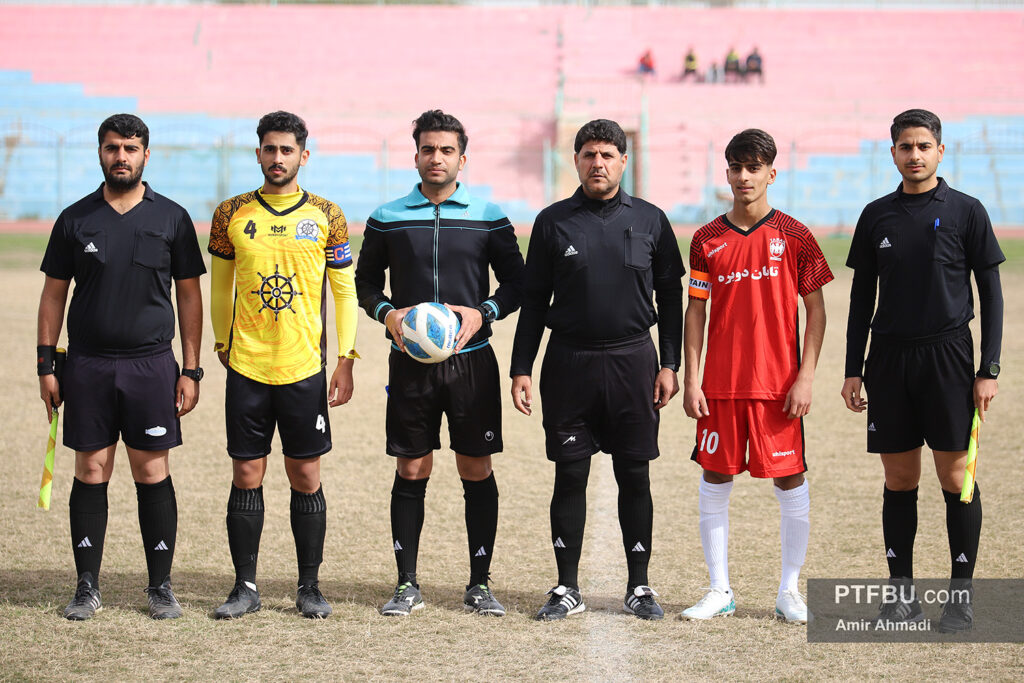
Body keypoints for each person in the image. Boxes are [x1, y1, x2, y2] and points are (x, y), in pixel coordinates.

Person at [511, 119, 684, 621]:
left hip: (634, 361)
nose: (598, 163)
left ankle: (640, 586)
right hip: (569, 363)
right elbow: (534, 302)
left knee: (635, 476)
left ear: (624, 161)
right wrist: (522, 367)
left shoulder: (651, 220)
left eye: (608, 154)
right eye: (589, 154)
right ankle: (567, 588)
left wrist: (669, 362)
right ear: (577, 160)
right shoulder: (553, 222)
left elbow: (671, 297)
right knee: (570, 476)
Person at [355, 110, 525, 617]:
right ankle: (407, 584)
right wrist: (387, 314)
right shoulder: (387, 216)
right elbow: (364, 284)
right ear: (416, 156)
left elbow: (518, 284)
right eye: (428, 149)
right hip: (409, 364)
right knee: (412, 466)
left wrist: (484, 311)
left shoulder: (489, 215)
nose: (437, 158)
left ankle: (479, 584)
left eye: (446, 150)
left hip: (471, 362)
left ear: (462, 158)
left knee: (475, 466)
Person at [37, 113, 206, 621]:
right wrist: (46, 364)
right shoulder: (75, 218)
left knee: (151, 470)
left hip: (151, 365)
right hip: (87, 365)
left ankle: (160, 587)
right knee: (90, 469)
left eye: (131, 149)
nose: (122, 157)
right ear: (100, 153)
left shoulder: (172, 218)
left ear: (146, 155)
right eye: (113, 148)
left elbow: (190, 299)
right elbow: (52, 296)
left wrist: (191, 369)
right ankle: (87, 586)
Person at [841, 109, 1003, 633]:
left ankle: (960, 598)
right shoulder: (876, 215)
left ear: (939, 151)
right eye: (905, 147)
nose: (914, 155)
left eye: (923, 146)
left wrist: (989, 367)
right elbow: (862, 297)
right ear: (893, 153)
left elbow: (992, 295)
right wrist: (852, 369)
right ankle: (901, 596)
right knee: (899, 478)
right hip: (888, 362)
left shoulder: (966, 211)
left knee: (956, 478)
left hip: (949, 358)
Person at [208, 111, 359, 620]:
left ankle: (309, 587)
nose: (278, 158)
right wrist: (222, 342)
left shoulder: (327, 215)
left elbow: (343, 290)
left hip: (303, 369)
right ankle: (245, 587)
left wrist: (346, 357)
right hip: (248, 366)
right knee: (247, 472)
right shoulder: (230, 213)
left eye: (287, 150)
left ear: (303, 156)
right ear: (258, 154)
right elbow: (220, 283)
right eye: (269, 150)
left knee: (305, 475)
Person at [680, 129, 832, 624]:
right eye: (735, 167)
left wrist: (805, 377)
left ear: (771, 172)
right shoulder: (706, 239)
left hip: (778, 386)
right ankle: (719, 589)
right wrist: (692, 378)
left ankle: (789, 591)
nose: (743, 177)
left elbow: (816, 312)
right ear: (726, 172)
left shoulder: (795, 235)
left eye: (754, 167)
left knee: (789, 479)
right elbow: (696, 310)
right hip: (720, 385)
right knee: (715, 475)